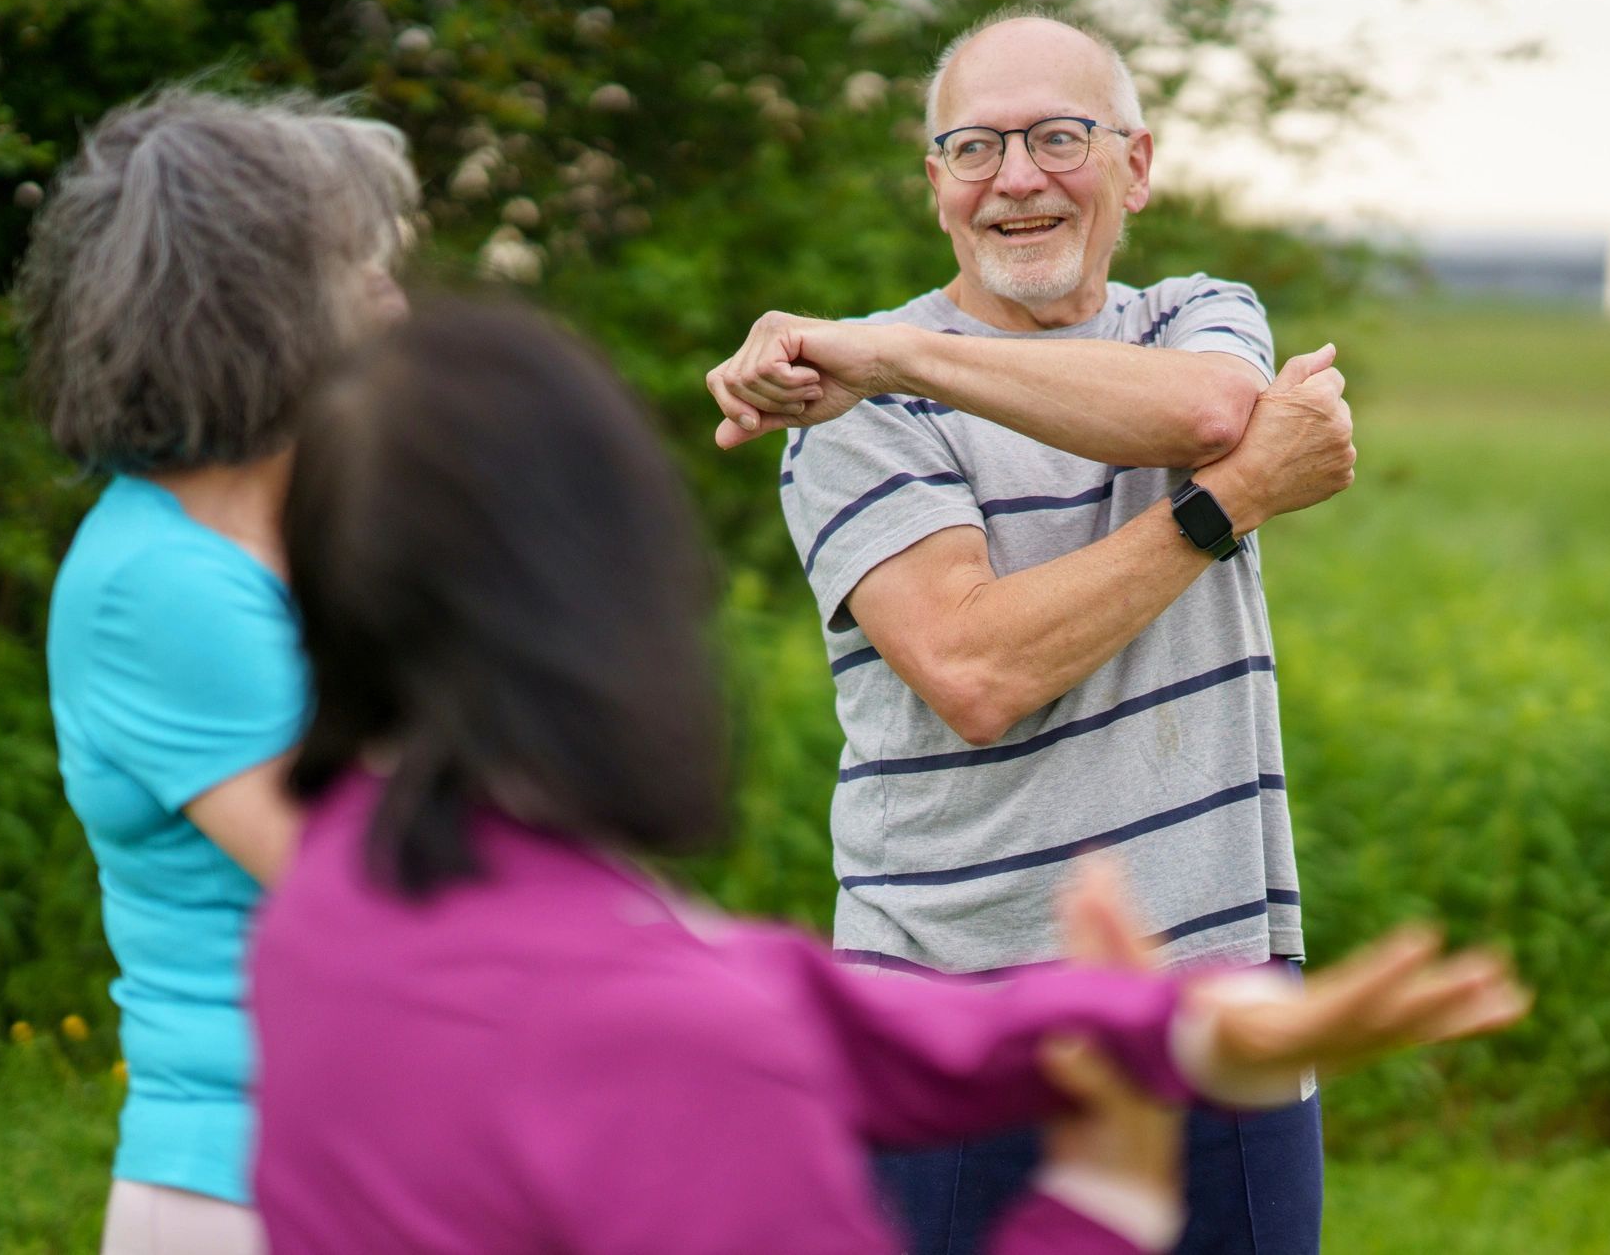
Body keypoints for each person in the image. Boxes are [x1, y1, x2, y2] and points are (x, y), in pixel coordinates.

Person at [250, 299, 1525, 1254]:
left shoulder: (327, 910)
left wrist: (1169, 1024)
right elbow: (726, 1018)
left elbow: (802, 1007)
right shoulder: (670, 1044)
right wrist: (1109, 1184)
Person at [704, 10, 1354, 1249]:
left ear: (1136, 166)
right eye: (973, 148)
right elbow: (976, 668)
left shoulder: (1193, 317)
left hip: (1217, 990)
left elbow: (1217, 407)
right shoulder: (849, 412)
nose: (1017, 180)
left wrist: (902, 352)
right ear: (936, 184)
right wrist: (1233, 505)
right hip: (955, 1014)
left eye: (1059, 138)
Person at [18, 85, 417, 1253]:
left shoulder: (306, 538)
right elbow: (392, 877)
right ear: (258, 306)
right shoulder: (160, 586)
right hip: (254, 1183)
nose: (397, 297)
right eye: (360, 263)